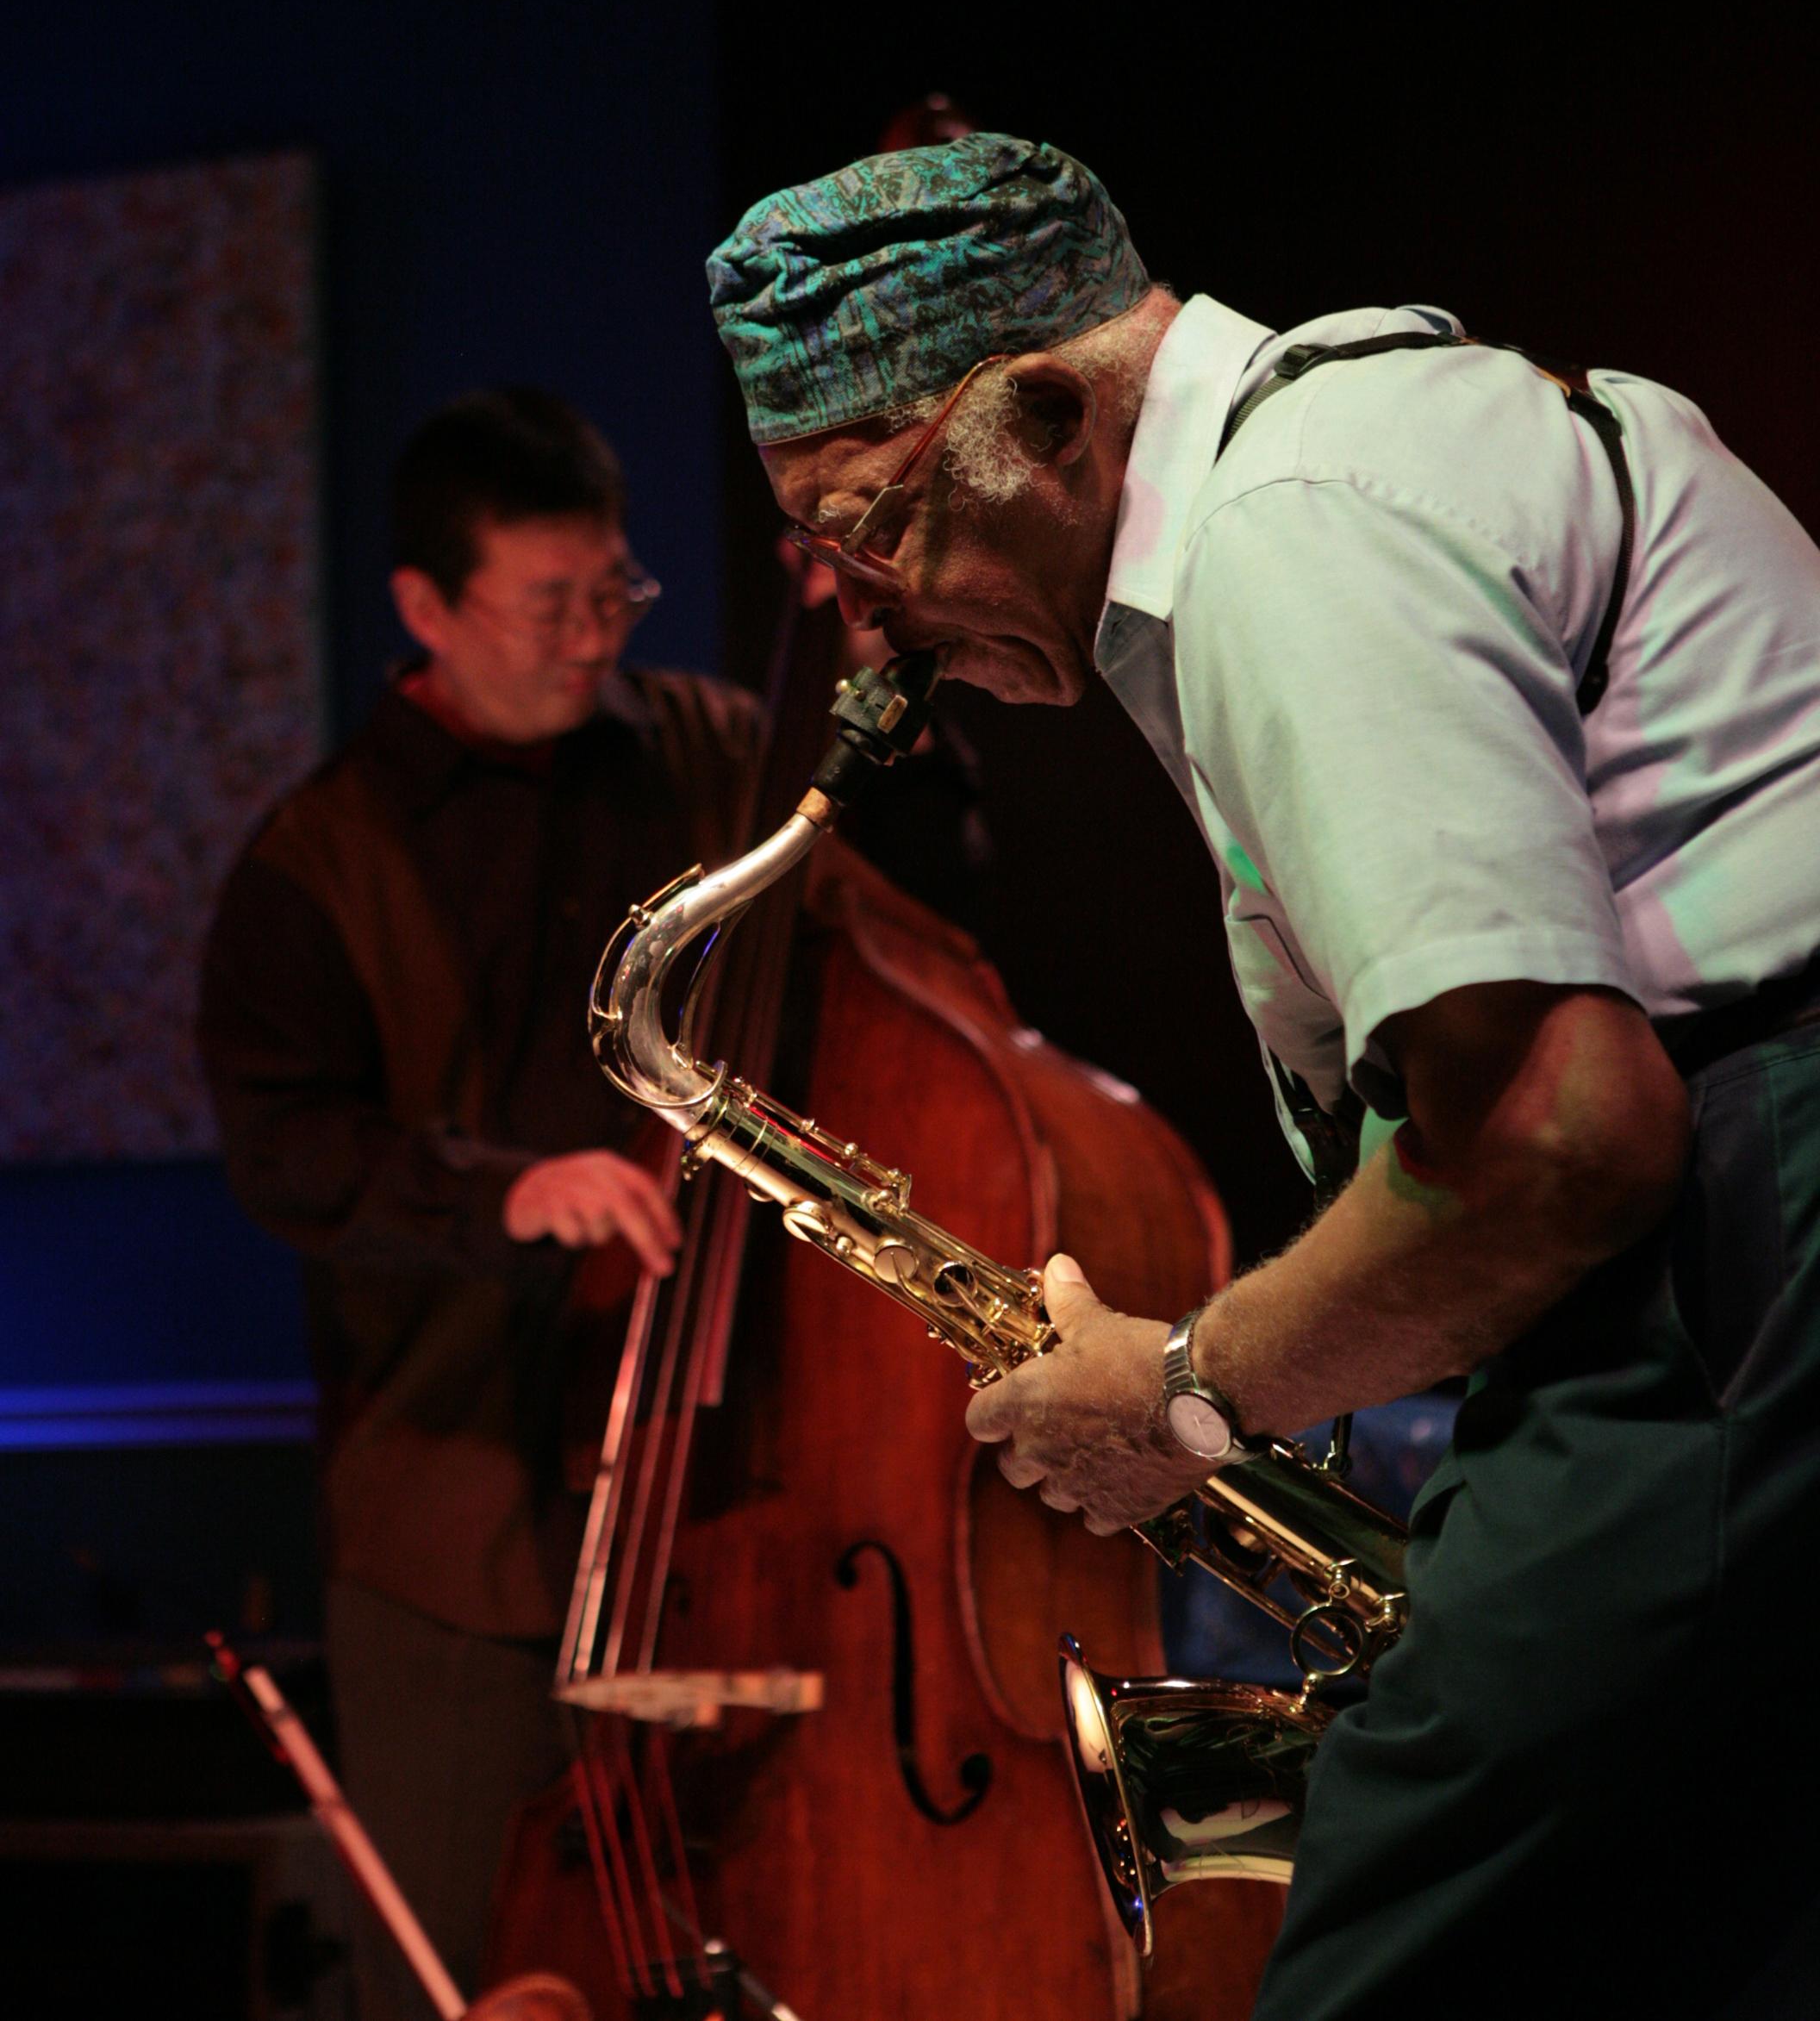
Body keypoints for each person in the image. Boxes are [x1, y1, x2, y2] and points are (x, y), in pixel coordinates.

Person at [704, 131, 1820, 2018]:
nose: (864, 615)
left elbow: (1564, 1130)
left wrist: (1191, 1390)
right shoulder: (1382, 423)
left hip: (1740, 1256)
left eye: (871, 526)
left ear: (1042, 414)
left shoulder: (1288, 528)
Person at [198, 389, 758, 2021]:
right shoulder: (317, 860)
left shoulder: (710, 749)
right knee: (475, 1966)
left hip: (732, 1487)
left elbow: (907, 872)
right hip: (462, 1511)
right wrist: (511, 1194)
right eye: (549, 608)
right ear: (427, 609)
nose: (593, 641)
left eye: (616, 595)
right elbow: (286, 1150)